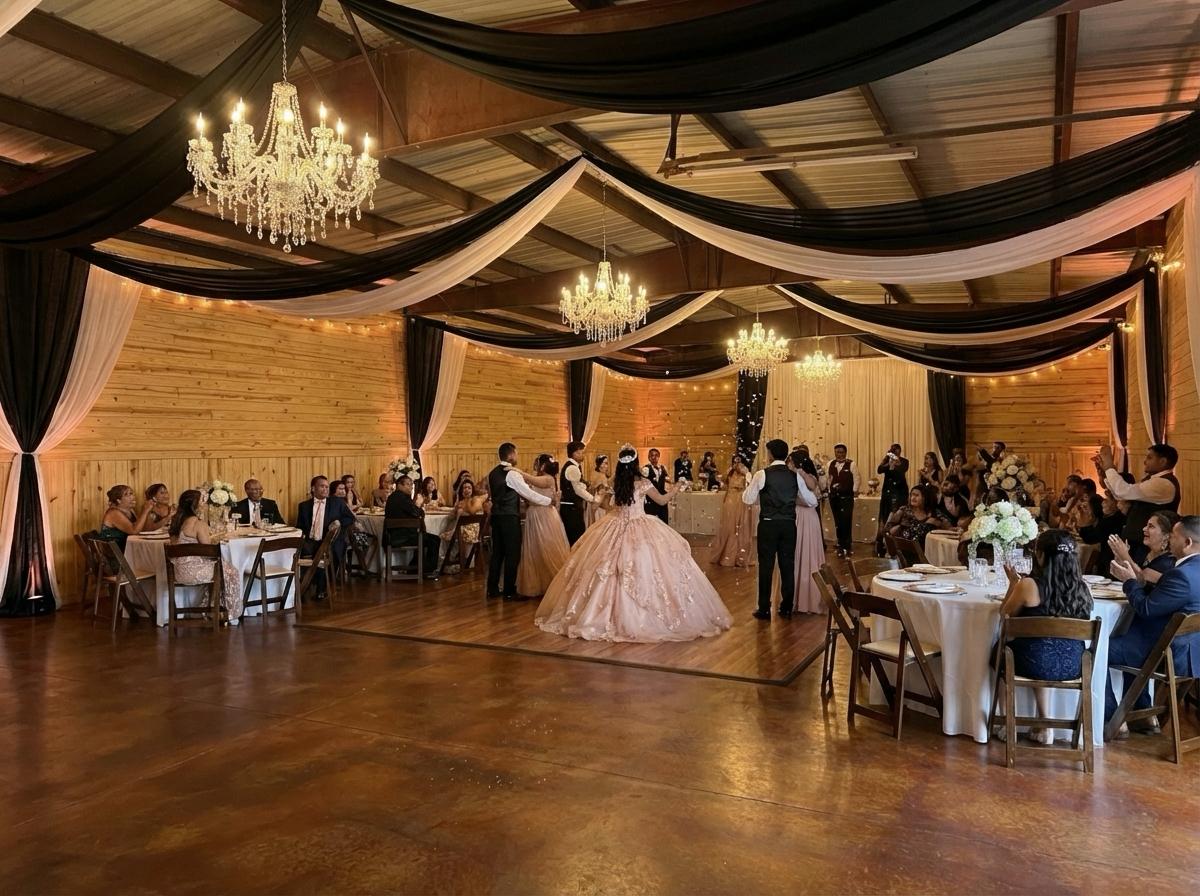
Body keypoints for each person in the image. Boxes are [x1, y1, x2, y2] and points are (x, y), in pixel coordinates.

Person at [535, 444, 732, 642]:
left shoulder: (615, 481)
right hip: (640, 525)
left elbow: (605, 505)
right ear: (637, 463)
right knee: (645, 567)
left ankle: (600, 615)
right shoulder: (643, 483)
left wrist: (605, 499)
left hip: (614, 524)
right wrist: (677, 488)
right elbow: (662, 501)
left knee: (607, 569)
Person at [997, 529, 1095, 745]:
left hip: (1033, 662)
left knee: (1002, 652)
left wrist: (1013, 585)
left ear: (1041, 556)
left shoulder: (1028, 586)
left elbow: (1004, 618)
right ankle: (1045, 724)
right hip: (1073, 664)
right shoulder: (1082, 589)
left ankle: (1007, 724)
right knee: (1042, 649)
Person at [1106, 515, 1200, 728]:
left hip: (1166, 654)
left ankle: (1112, 719)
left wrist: (1129, 581)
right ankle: (1143, 714)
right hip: (1191, 652)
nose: (1169, 541)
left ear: (1187, 543)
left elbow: (1146, 608)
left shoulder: (1181, 575)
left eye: (1174, 537)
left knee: (1096, 650)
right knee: (1129, 643)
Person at [743, 438, 819, 620]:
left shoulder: (762, 474)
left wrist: (750, 484)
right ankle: (786, 607)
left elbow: (747, 499)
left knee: (766, 567)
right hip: (788, 525)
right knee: (787, 566)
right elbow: (812, 501)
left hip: (768, 524)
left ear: (770, 454)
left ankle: (764, 609)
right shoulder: (794, 476)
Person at [486, 442, 553, 600]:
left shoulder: (492, 473)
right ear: (510, 455)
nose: (517, 456)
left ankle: (492, 589)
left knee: (497, 554)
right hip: (509, 517)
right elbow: (528, 493)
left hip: (496, 517)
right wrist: (549, 501)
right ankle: (509, 591)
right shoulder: (511, 473)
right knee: (512, 554)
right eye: (516, 453)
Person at [169, 489, 243, 620]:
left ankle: (211, 608)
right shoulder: (198, 524)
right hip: (195, 572)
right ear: (195, 506)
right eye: (202, 502)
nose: (204, 505)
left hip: (178, 571)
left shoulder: (176, 522)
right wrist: (216, 539)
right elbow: (209, 550)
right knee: (231, 571)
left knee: (223, 568)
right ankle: (227, 613)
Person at [1094, 444, 1181, 545]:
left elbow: (1123, 491)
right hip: (1139, 540)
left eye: (1149, 458)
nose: (1145, 461)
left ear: (1163, 461)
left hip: (1149, 543)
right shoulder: (1154, 479)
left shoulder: (1164, 484)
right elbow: (1121, 495)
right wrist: (1105, 473)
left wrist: (1109, 467)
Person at [517, 454, 571, 598]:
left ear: (542, 465)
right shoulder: (542, 479)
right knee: (534, 550)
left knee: (548, 547)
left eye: (537, 463)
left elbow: (533, 480)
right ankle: (538, 584)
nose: (535, 465)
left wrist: (517, 472)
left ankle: (556, 583)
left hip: (544, 516)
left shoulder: (548, 479)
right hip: (534, 515)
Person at [295, 475, 357, 599]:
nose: (325, 489)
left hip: (331, 541)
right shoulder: (304, 506)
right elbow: (300, 526)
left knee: (328, 552)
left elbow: (350, 518)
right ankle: (301, 588)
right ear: (313, 489)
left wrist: (339, 522)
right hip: (310, 541)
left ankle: (321, 589)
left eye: (327, 487)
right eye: (322, 486)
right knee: (301, 551)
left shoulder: (337, 503)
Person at [786, 449, 825, 614]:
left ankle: (807, 598)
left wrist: (798, 471)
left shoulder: (805, 474)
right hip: (795, 515)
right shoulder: (789, 475)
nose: (787, 463)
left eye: (789, 461)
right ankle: (793, 597)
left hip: (807, 518)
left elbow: (811, 486)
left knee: (806, 553)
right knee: (795, 554)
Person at [384, 475, 440, 580]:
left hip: (393, 535)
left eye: (412, 485)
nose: (411, 488)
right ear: (399, 485)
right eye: (408, 485)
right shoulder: (401, 498)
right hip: (402, 537)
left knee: (427, 538)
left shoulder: (393, 497)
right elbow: (417, 512)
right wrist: (419, 505)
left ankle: (414, 569)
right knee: (434, 540)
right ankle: (427, 571)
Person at [1107, 510, 1179, 589]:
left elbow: (1141, 580)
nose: (1144, 529)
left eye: (1151, 526)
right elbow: (1120, 574)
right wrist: (1118, 555)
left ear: (1166, 535)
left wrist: (1124, 555)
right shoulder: (1142, 551)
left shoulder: (1168, 561)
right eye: (1146, 525)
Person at [710, 454, 756, 568]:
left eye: (739, 461)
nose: (737, 464)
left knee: (741, 527)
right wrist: (730, 469)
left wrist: (746, 473)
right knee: (728, 527)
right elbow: (721, 480)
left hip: (741, 499)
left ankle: (740, 557)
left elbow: (751, 486)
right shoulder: (730, 472)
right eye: (735, 461)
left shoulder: (747, 473)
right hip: (730, 499)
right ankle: (725, 555)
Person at [441, 479, 488, 570]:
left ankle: (456, 559)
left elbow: (472, 511)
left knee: (448, 534)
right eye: (464, 488)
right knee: (444, 533)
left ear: (472, 490)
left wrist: (466, 502)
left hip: (472, 530)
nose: (466, 490)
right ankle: (450, 559)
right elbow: (450, 517)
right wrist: (455, 508)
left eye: (469, 488)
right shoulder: (461, 502)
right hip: (461, 528)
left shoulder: (476, 499)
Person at [559, 440, 599, 546]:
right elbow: (577, 489)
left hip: (572, 506)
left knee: (577, 536)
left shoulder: (574, 466)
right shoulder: (572, 468)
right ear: (574, 453)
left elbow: (578, 485)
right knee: (576, 537)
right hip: (571, 508)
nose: (583, 455)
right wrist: (592, 499)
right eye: (580, 452)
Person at [98, 484, 157, 552]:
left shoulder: (130, 511)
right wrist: (145, 511)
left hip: (128, 550)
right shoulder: (113, 513)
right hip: (115, 555)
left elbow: (143, 529)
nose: (132, 496)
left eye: (131, 493)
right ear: (118, 500)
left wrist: (149, 510)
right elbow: (134, 531)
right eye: (127, 494)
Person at [1078, 493, 1126, 574]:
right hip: (1109, 559)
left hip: (1110, 562)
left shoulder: (1112, 520)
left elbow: (1089, 538)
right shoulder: (1110, 518)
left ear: (1116, 502)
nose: (1103, 502)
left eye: (1107, 500)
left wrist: (1084, 517)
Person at [875, 443, 910, 555]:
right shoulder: (887, 460)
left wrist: (896, 463)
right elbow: (879, 470)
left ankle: (893, 545)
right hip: (887, 494)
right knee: (883, 518)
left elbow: (902, 470)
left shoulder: (904, 461)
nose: (896, 453)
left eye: (897, 450)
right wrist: (888, 463)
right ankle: (880, 544)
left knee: (895, 518)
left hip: (899, 493)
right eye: (894, 450)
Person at [827, 444, 860, 558]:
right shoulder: (830, 464)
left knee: (846, 520)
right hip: (834, 498)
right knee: (838, 522)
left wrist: (854, 491)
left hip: (846, 497)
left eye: (841, 452)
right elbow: (828, 479)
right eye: (837, 452)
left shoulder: (851, 464)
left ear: (845, 453)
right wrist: (829, 491)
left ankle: (847, 545)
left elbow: (856, 478)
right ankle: (840, 544)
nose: (839, 454)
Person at [641, 448, 670, 523]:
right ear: (649, 457)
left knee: (663, 521)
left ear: (659, 456)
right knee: (652, 522)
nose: (654, 457)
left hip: (662, 497)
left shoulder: (663, 468)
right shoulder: (645, 469)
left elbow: (667, 481)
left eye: (656, 455)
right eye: (651, 455)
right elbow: (642, 484)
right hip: (651, 499)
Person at [586, 454, 613, 528]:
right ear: (599, 464)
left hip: (606, 507)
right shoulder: (598, 477)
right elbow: (595, 492)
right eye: (604, 463)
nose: (606, 466)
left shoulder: (605, 476)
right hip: (600, 508)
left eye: (607, 463)